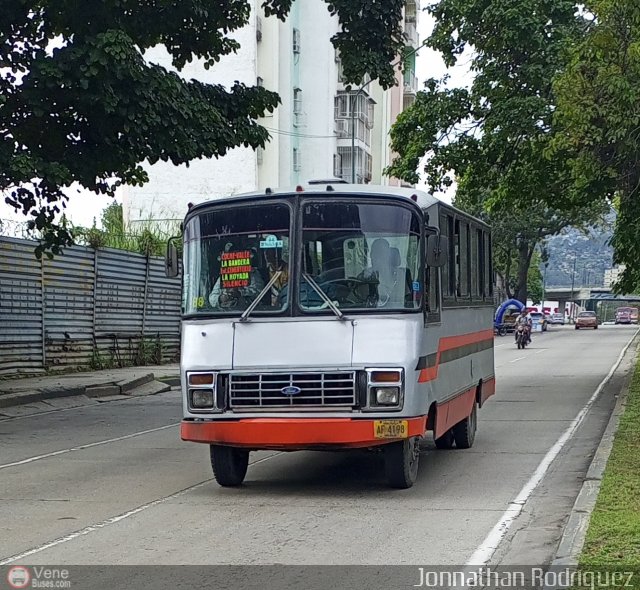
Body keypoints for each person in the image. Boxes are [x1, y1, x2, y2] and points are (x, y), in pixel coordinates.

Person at [209, 244, 265, 310]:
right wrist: (221, 298)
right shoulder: (224, 276)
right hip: (225, 315)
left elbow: (259, 292)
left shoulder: (252, 274)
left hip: (247, 312)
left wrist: (240, 293)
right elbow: (212, 298)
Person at [358, 238, 407, 307]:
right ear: (371, 255)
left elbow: (410, 301)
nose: (377, 257)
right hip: (369, 315)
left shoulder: (401, 275)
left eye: (381, 253)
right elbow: (352, 302)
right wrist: (364, 281)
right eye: (374, 253)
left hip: (400, 315)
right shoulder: (364, 276)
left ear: (388, 255)